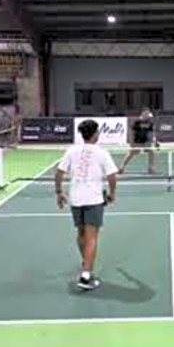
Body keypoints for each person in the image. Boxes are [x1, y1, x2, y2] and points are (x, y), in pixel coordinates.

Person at [55, 119, 118, 291]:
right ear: (95, 134)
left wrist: (59, 193)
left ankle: (86, 263)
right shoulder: (102, 153)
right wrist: (113, 193)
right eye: (98, 131)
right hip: (93, 201)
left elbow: (59, 173)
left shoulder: (72, 151)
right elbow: (112, 176)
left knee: (81, 233)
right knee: (92, 238)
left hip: (75, 200)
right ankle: (85, 276)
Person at [118, 108, 157, 174]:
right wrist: (131, 142)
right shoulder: (137, 122)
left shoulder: (150, 123)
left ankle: (151, 168)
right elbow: (131, 132)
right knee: (131, 153)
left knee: (151, 152)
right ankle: (121, 167)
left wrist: (155, 141)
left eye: (148, 114)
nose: (148, 116)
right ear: (143, 114)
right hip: (137, 141)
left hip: (145, 141)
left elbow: (152, 133)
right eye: (147, 114)